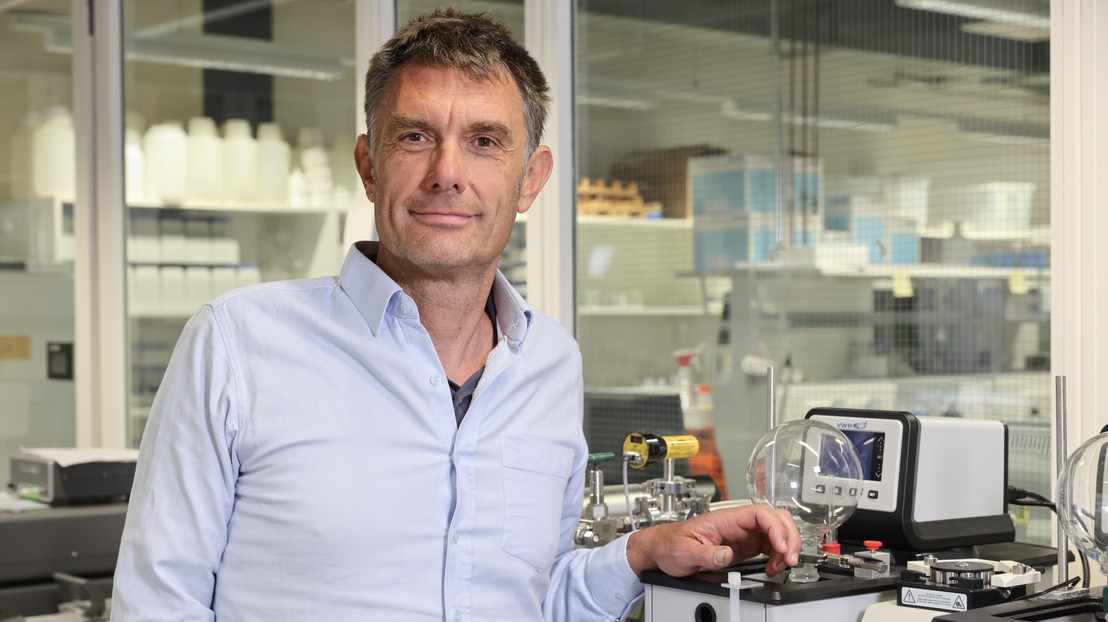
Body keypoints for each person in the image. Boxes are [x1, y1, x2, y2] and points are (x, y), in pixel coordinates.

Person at [111, 8, 800, 621]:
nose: (448, 172)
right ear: (368, 165)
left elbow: (533, 597)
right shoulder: (237, 343)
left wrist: (640, 553)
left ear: (531, 179)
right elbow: (155, 604)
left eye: (485, 141)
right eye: (414, 137)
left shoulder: (550, 361)